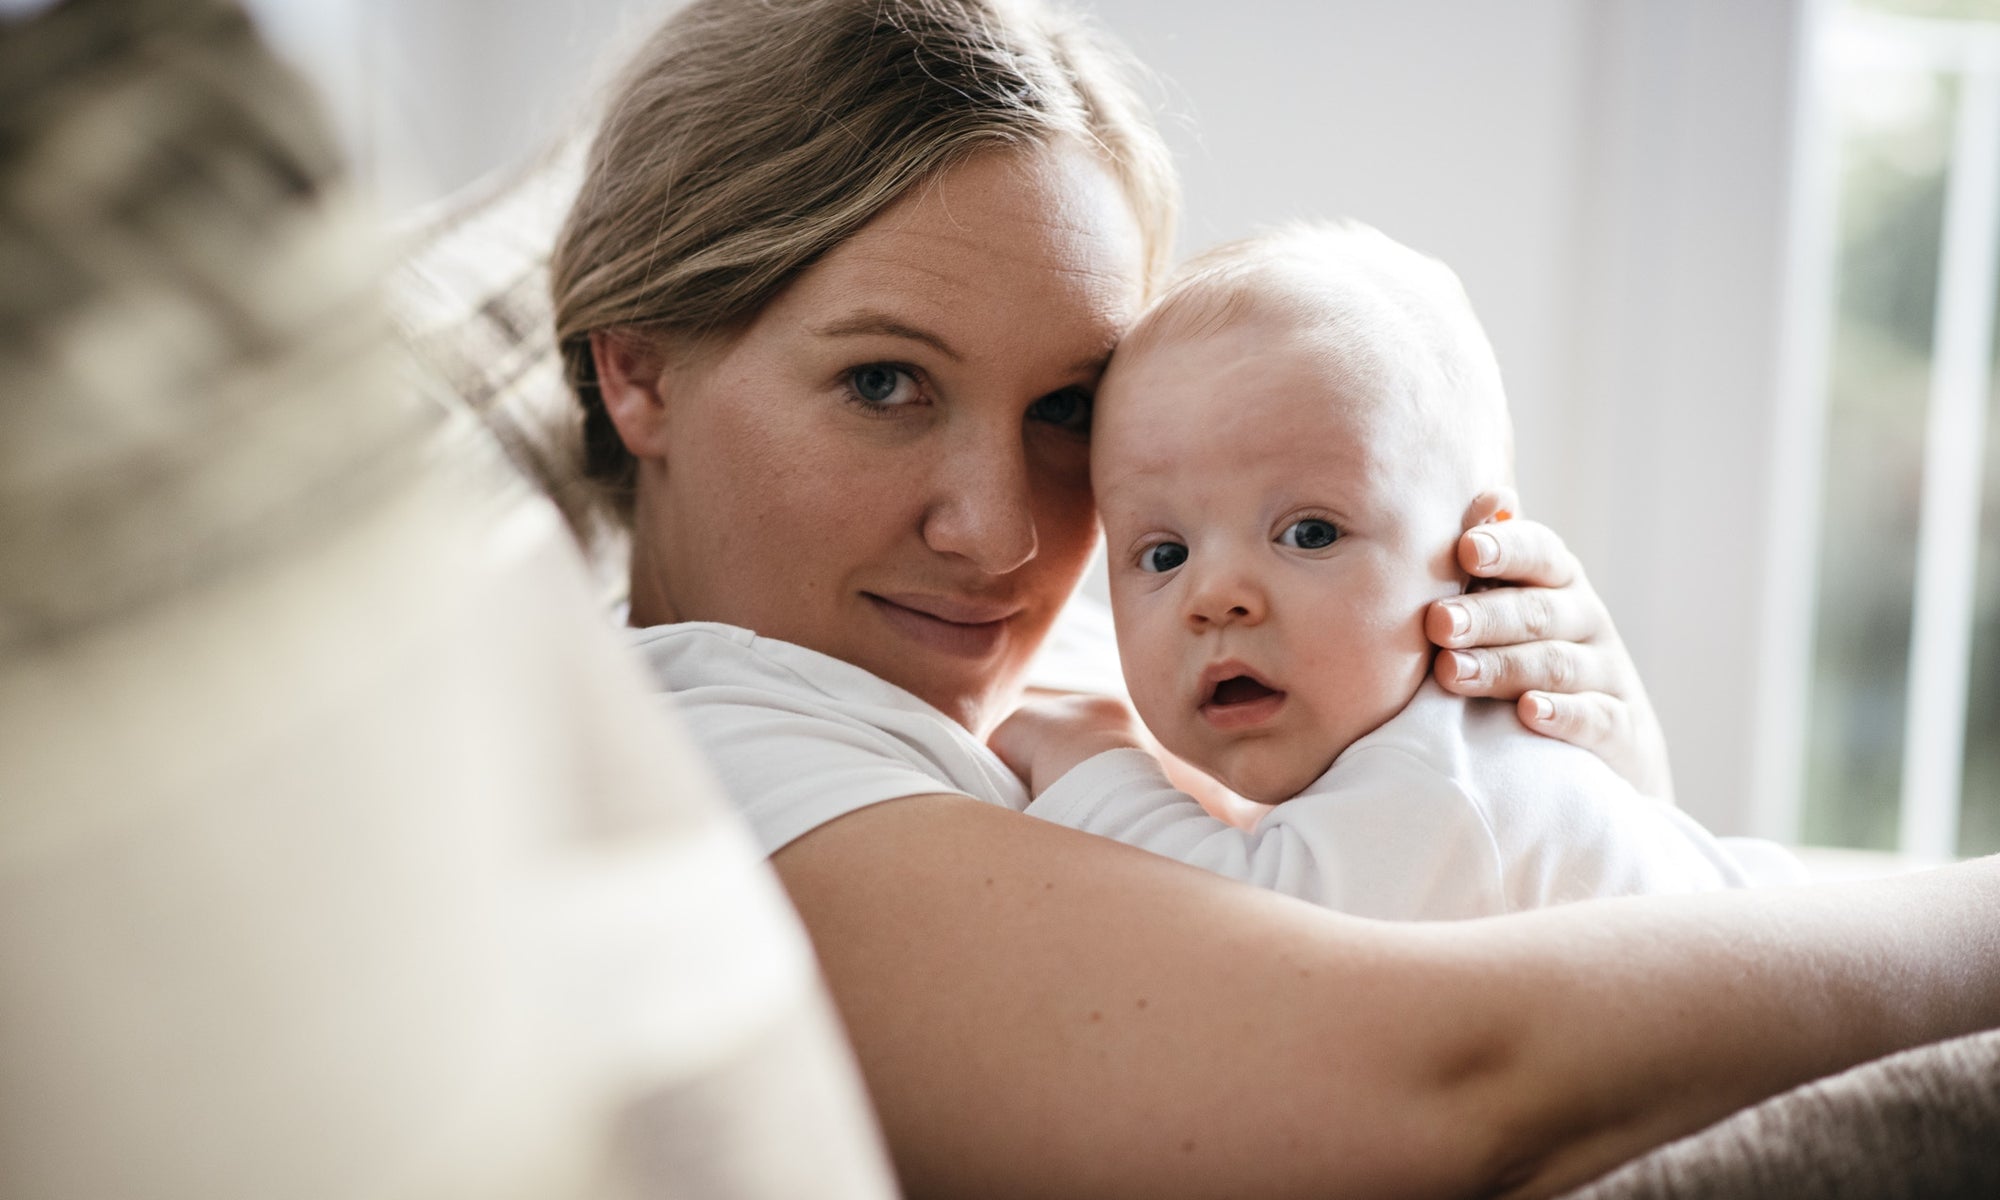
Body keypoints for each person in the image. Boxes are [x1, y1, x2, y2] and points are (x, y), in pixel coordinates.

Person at [548, 1, 2000, 1195]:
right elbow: (1446, 1083)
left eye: (1066, 409)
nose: (999, 536)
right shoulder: (729, 763)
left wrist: (1575, 788)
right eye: (883, 384)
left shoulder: (1028, 691)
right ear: (639, 371)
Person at [989, 222, 1803, 918]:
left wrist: (1090, 762)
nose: (1216, 597)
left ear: (1481, 565)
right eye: (1164, 554)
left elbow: (1243, 935)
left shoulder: (1445, 780)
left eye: (1309, 533)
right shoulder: (1398, 767)